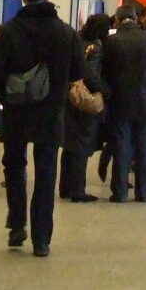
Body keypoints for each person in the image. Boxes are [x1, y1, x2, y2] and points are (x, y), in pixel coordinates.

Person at [0, 0, 83, 255]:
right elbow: (78, 71)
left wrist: (5, 96)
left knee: (14, 166)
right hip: (51, 111)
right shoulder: (65, 33)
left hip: (16, 110)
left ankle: (17, 223)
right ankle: (41, 238)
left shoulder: (9, 31)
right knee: (46, 171)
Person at [99, 4, 146, 203]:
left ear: (117, 20)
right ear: (135, 18)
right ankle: (143, 192)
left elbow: (104, 70)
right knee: (144, 147)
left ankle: (120, 191)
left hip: (120, 100)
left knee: (121, 145)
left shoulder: (111, 41)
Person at [60, 13, 110, 203]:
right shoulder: (95, 46)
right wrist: (104, 90)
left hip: (69, 96)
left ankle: (65, 187)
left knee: (70, 146)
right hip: (85, 99)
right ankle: (77, 190)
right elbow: (90, 73)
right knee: (81, 145)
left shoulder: (75, 39)